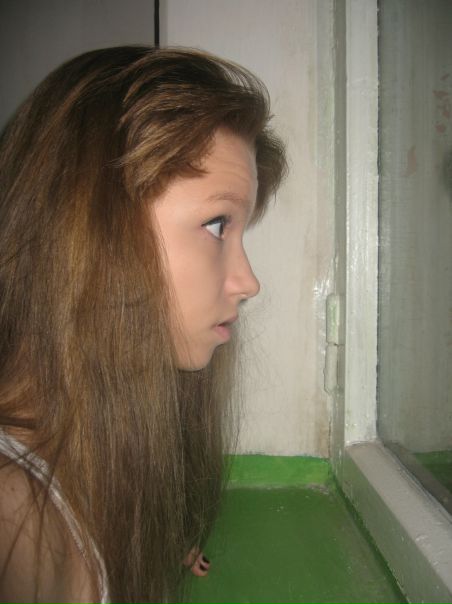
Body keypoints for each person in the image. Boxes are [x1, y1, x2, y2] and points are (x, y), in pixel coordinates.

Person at [0, 46, 286, 602]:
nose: (248, 282)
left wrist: (149, 534)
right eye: (217, 224)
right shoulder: (15, 520)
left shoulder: (96, 448)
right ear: (88, 228)